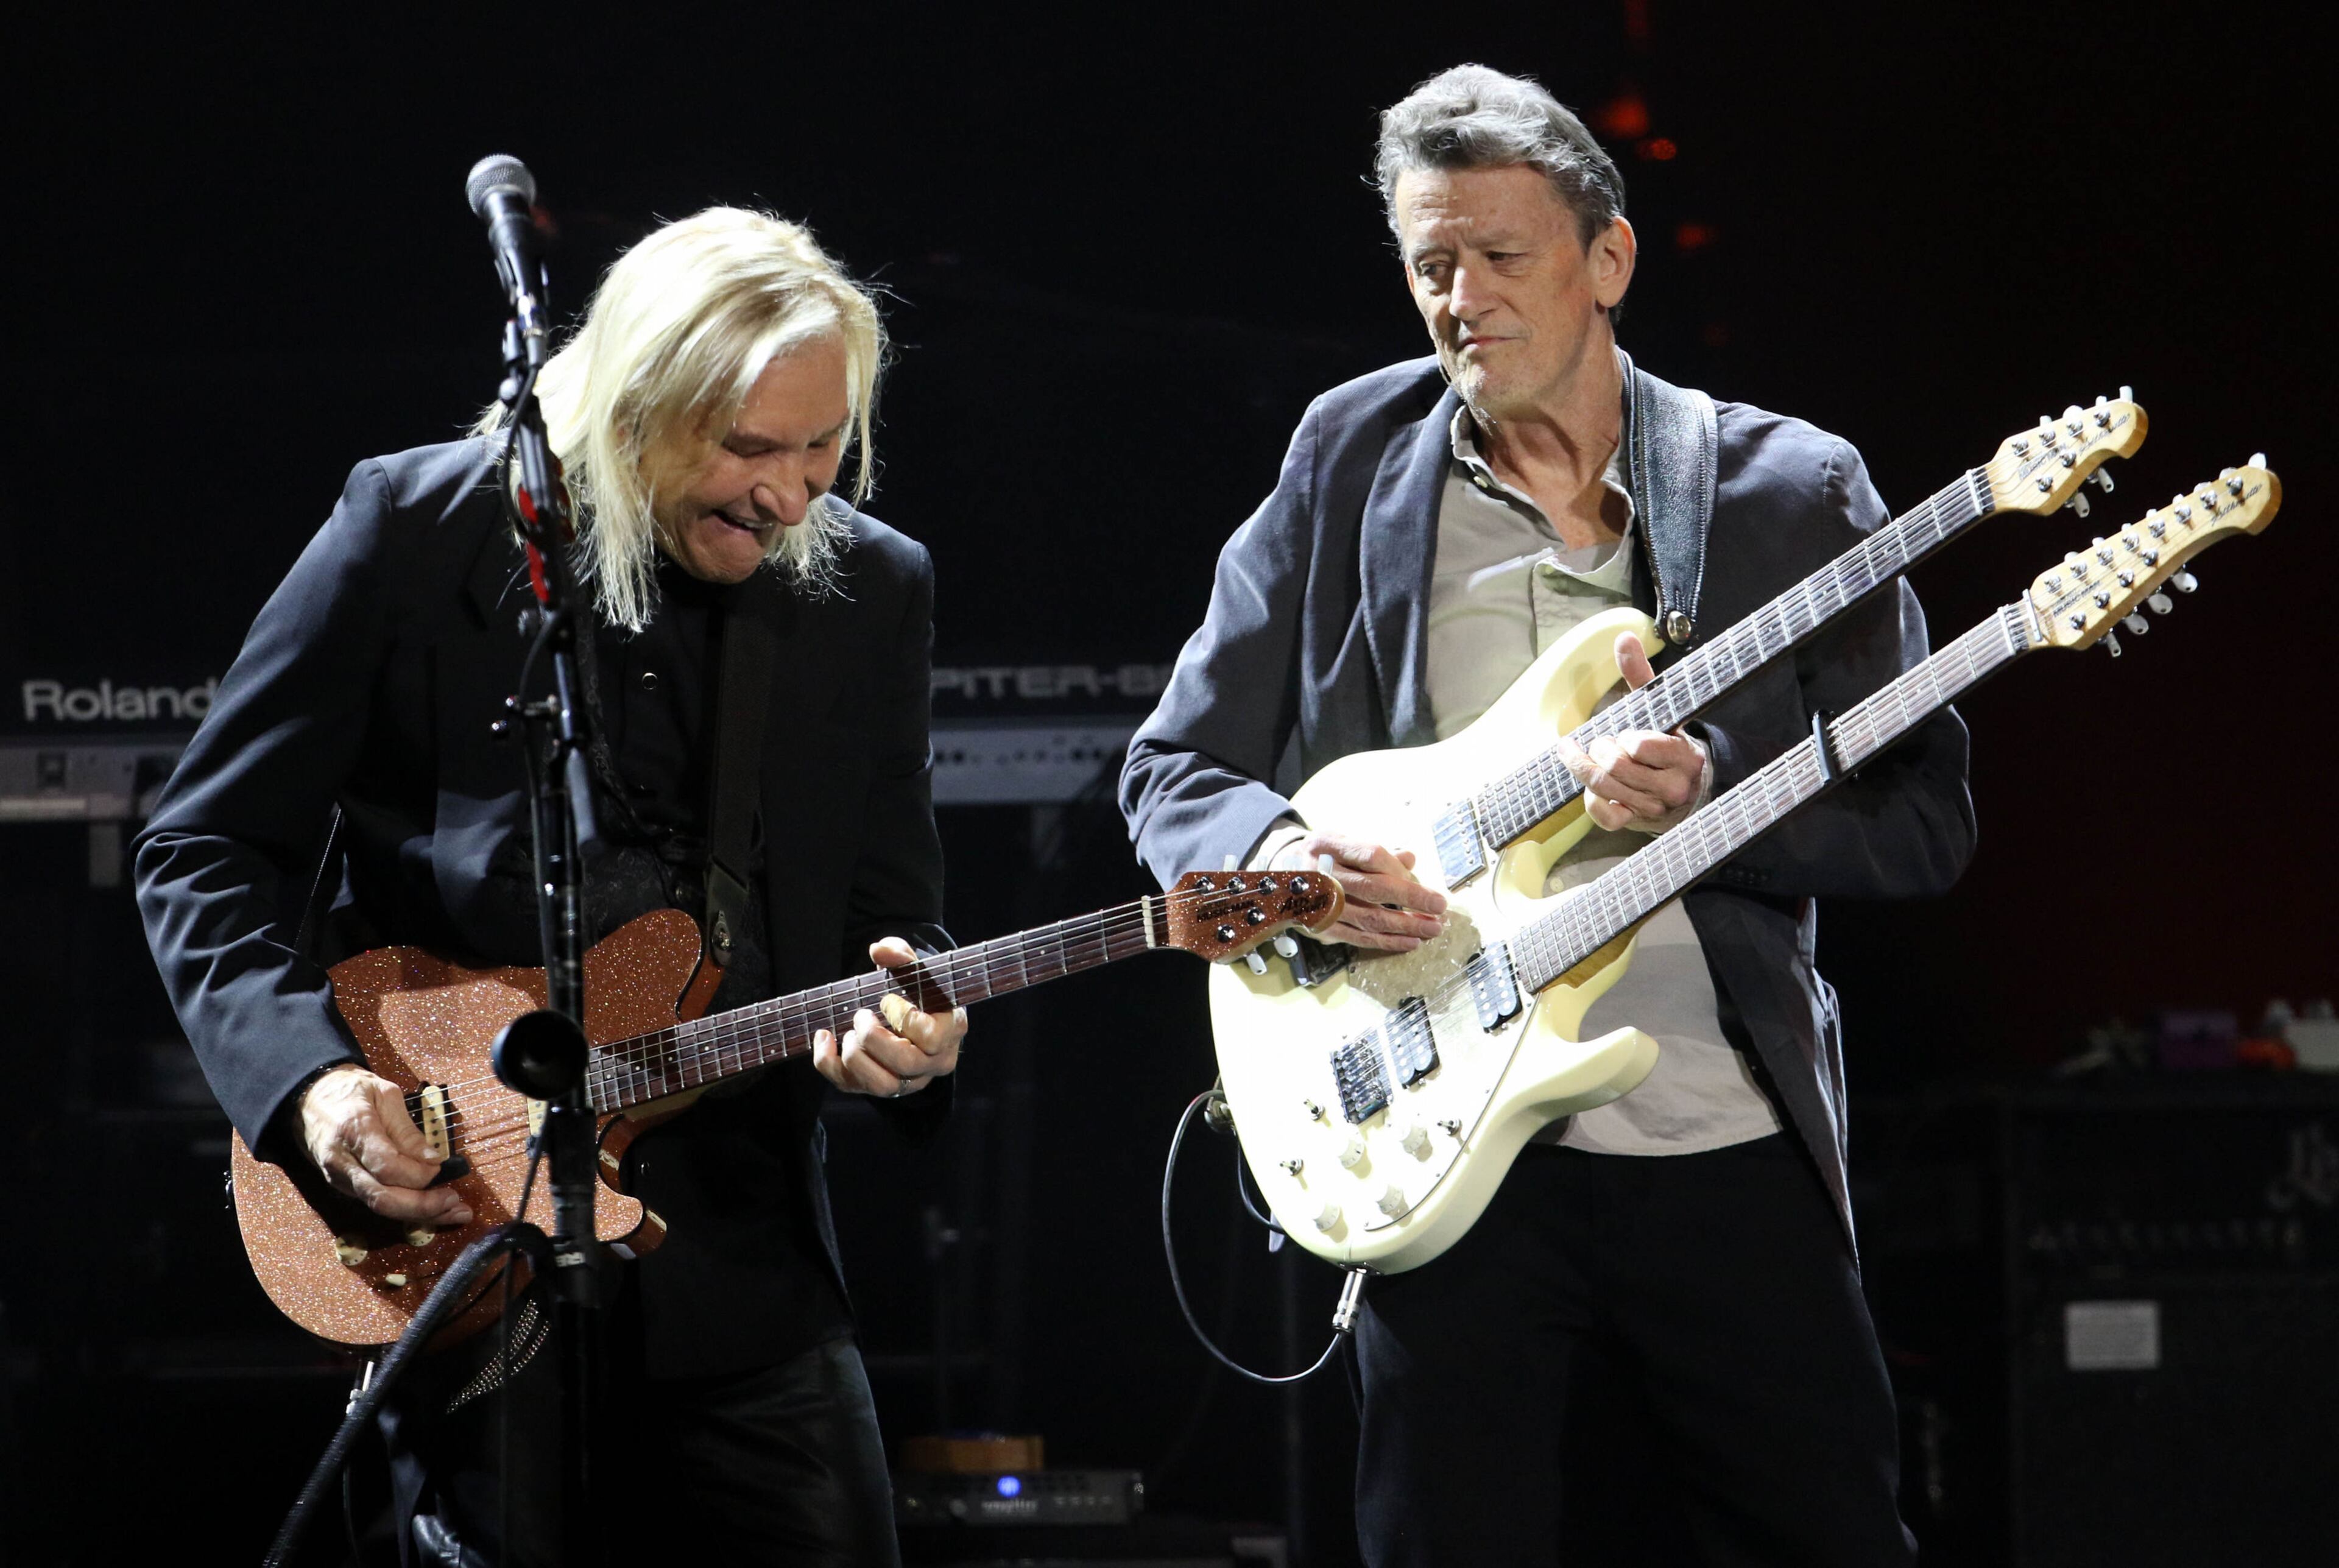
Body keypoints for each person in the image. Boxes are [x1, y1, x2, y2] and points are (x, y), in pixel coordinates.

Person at [1120, 66, 1974, 1566]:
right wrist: (1284, 865)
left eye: (1503, 259)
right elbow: (1173, 771)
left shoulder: (1787, 490)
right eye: (1431, 265)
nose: (1462, 300)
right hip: (1447, 1147)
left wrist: (1720, 807)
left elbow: (1927, 824)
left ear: (1611, 260)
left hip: (1714, 1134)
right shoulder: (1347, 460)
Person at [135, 207, 966, 1567]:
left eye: (825, 446)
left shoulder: (870, 590)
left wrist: (913, 1031)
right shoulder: (412, 530)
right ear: (636, 409)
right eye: (750, 447)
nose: (793, 493)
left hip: (744, 1274)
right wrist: (313, 1086)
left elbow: (897, 910)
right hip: (467, 1245)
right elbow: (203, 848)